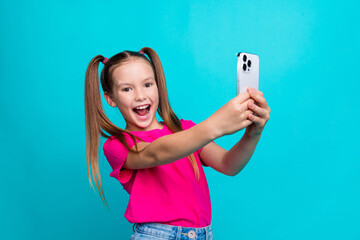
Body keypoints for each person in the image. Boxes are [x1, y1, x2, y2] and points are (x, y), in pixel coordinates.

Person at [84, 47, 270, 240]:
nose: (140, 96)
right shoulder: (117, 146)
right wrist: (215, 125)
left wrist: (253, 134)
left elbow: (228, 164)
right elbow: (156, 153)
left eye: (148, 84)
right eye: (127, 89)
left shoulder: (186, 130)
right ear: (111, 98)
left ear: (158, 86)